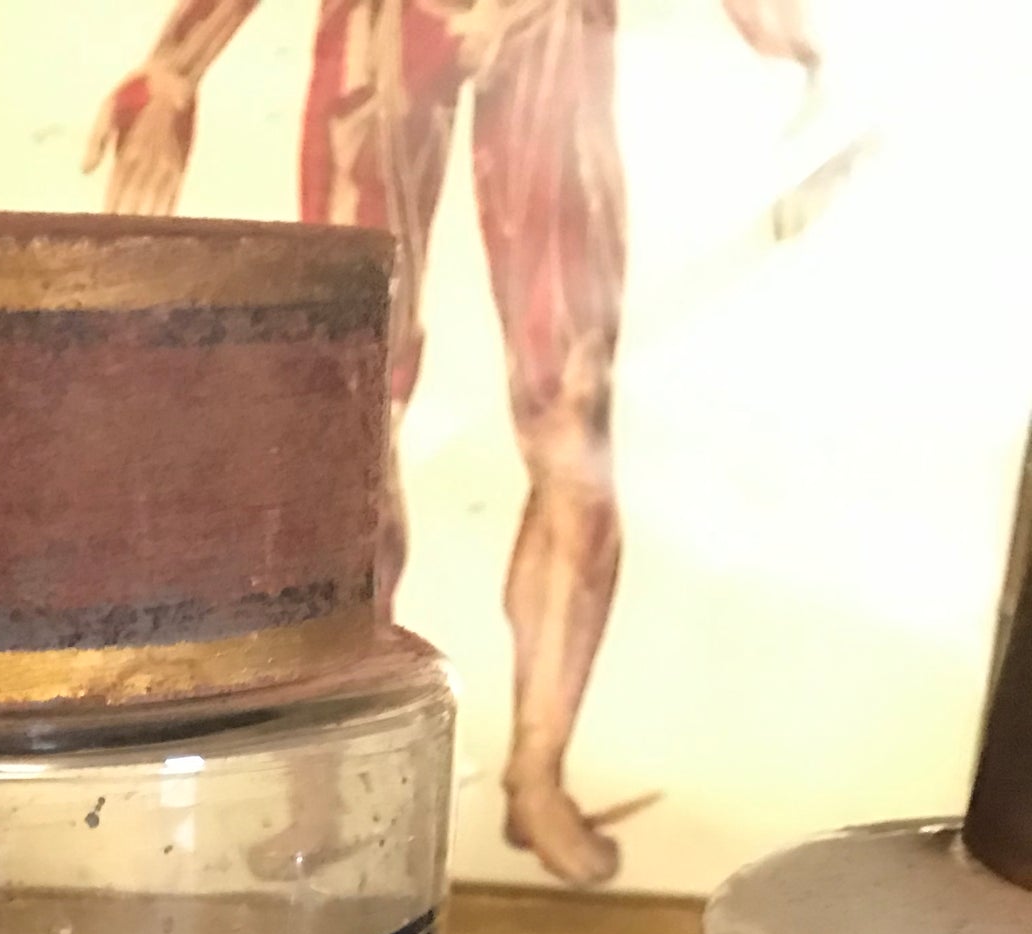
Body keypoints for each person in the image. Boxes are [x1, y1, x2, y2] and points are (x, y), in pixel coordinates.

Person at [89, 0, 817, 887]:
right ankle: (321, 785)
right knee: (348, 403)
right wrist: (174, 67)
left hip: (550, 26)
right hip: (386, 31)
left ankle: (536, 771)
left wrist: (800, 47)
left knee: (571, 401)